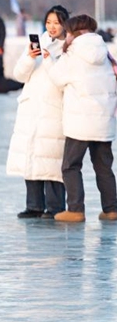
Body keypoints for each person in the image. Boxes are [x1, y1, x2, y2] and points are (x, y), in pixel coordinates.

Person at [47, 14, 117, 222]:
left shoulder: (74, 54)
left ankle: (76, 210)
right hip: (104, 121)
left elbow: (56, 78)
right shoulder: (105, 53)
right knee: (104, 166)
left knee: (71, 166)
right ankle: (112, 209)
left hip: (80, 122)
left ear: (72, 33)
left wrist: (50, 58)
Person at [6, 5, 69, 219]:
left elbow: (63, 78)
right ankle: (33, 205)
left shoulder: (68, 48)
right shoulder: (37, 43)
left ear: (64, 25)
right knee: (32, 156)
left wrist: (51, 59)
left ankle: (55, 207)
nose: (52, 27)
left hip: (54, 108)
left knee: (52, 158)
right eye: (49, 22)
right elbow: (19, 75)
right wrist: (30, 58)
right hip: (31, 108)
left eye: (56, 23)